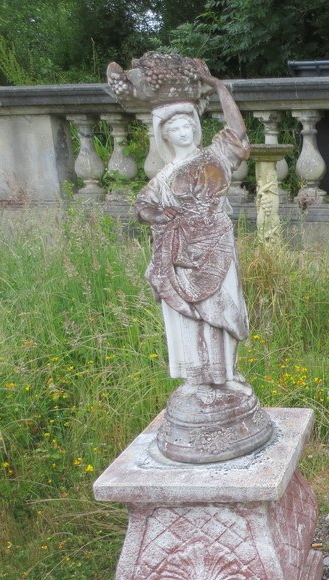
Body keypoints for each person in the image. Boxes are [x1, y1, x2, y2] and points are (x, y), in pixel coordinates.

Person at [135, 73, 251, 388]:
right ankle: (199, 378)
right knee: (193, 318)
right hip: (183, 254)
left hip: (217, 245)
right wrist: (160, 215)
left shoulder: (215, 155)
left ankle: (226, 375)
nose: (184, 132)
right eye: (175, 128)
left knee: (226, 310)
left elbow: (238, 133)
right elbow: (142, 206)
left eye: (188, 125)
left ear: (196, 127)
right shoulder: (164, 177)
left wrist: (219, 87)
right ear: (164, 136)